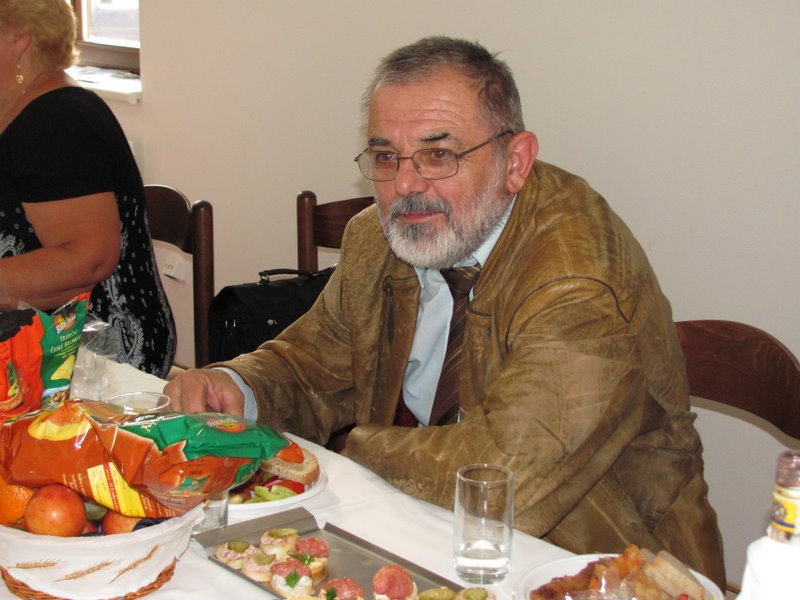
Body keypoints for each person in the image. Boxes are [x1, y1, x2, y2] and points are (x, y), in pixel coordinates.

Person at [166, 36, 725, 586]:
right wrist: (235, 385)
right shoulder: (379, 239)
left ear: (515, 161)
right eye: (386, 156)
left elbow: (505, 480)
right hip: (419, 536)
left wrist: (352, 447)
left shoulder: (580, 276)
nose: (405, 184)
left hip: (599, 567)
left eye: (439, 154)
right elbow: (313, 364)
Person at [0, 0, 176, 378]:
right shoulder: (19, 106)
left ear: (18, 38)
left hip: (96, 352)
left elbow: (87, 260)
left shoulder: (57, 122)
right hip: (33, 335)